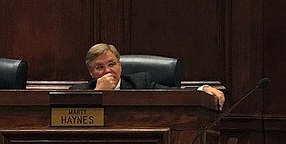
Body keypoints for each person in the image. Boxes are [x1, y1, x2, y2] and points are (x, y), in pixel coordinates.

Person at [70, 43, 225, 109]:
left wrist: (202, 89)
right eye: (100, 67)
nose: (108, 71)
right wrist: (99, 94)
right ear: (91, 73)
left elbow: (172, 94)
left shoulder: (141, 82)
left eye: (112, 64)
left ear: (120, 65)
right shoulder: (77, 93)